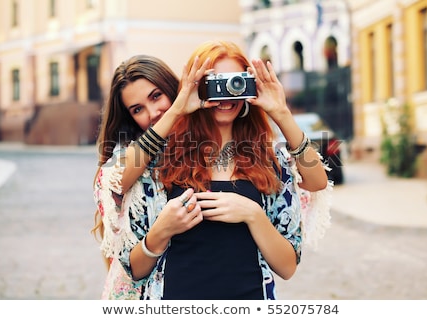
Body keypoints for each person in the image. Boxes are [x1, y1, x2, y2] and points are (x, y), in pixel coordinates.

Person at [107, 40, 330, 300]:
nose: (225, 94)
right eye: (214, 85)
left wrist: (253, 214)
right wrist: (161, 230)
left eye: (234, 83)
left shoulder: (270, 159)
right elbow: (133, 267)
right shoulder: (157, 162)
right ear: (196, 88)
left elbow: (288, 266)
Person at [92, 54, 216, 299]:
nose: (153, 112)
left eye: (156, 96)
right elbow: (116, 180)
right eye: (138, 109)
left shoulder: (210, 139)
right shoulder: (131, 154)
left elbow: (313, 181)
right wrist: (176, 110)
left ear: (171, 88)